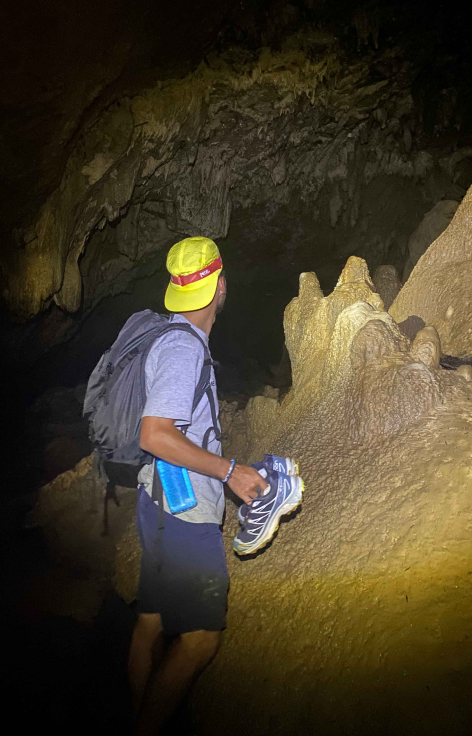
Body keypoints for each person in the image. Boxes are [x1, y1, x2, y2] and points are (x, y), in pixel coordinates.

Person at [127, 236, 268, 735]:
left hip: (157, 499)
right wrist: (230, 471)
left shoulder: (172, 337)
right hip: (182, 511)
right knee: (203, 638)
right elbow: (155, 432)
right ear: (220, 284)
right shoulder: (184, 347)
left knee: (152, 620)